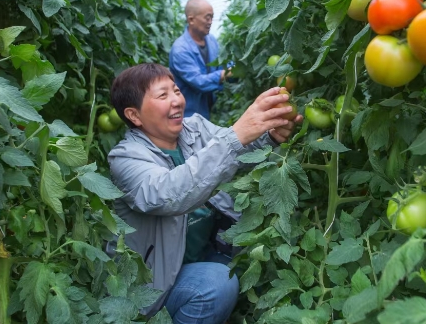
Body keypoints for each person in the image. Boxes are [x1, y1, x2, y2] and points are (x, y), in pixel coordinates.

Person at [107, 63, 301, 323]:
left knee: (250, 263)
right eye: (163, 96)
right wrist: (234, 136)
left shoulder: (194, 128)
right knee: (217, 284)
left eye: (176, 90)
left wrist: (271, 137)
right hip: (155, 280)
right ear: (135, 115)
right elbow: (168, 194)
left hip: (202, 251)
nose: (176, 100)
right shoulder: (125, 158)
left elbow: (239, 152)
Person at [169, 0, 227, 119]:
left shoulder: (211, 41)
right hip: (188, 114)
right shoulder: (180, 49)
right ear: (191, 20)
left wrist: (235, 67)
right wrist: (223, 74)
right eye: (207, 17)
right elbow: (198, 82)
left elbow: (223, 64)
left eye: (212, 17)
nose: (210, 21)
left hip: (206, 109)